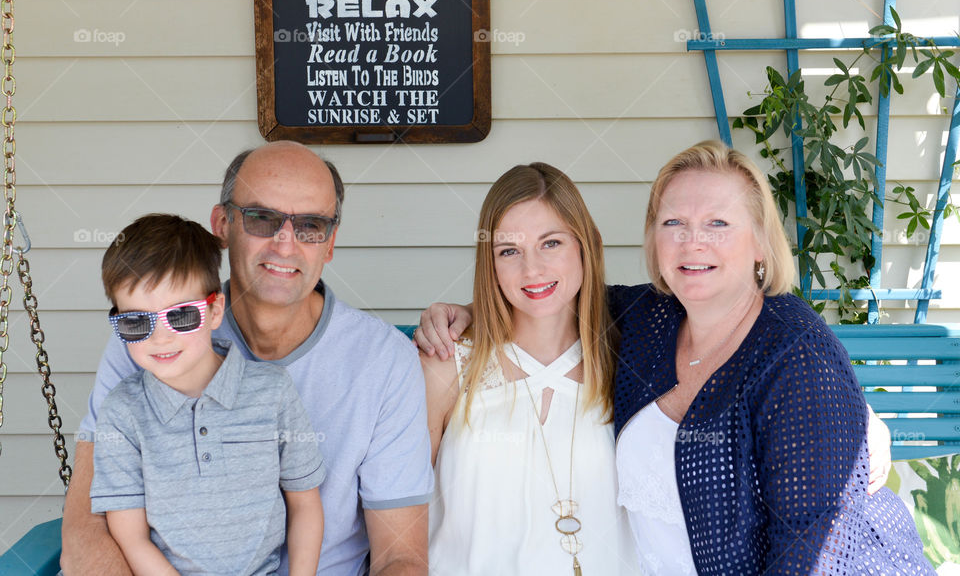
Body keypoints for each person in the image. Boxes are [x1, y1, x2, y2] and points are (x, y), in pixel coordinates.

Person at [414, 142, 916, 574]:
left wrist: (860, 420)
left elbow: (813, 543)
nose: (692, 241)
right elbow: (550, 294)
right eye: (674, 222)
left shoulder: (787, 352)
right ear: (654, 242)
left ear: (762, 241)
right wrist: (470, 312)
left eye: (717, 222)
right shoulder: (644, 326)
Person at [62, 142, 433, 576]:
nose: (285, 244)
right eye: (262, 218)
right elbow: (87, 525)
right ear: (222, 225)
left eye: (311, 225)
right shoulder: (150, 342)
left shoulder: (384, 362)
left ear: (329, 243)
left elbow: (400, 557)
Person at [422, 163, 642, 574]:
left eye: (551, 243)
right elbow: (400, 510)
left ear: (585, 245)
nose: (532, 269)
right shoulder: (447, 364)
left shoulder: (632, 357)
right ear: (489, 263)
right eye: (509, 251)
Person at [91, 214, 324, 575]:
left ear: (215, 311)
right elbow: (130, 534)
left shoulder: (272, 391)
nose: (161, 337)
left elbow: (305, 502)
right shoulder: (123, 413)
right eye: (137, 322)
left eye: (181, 316)